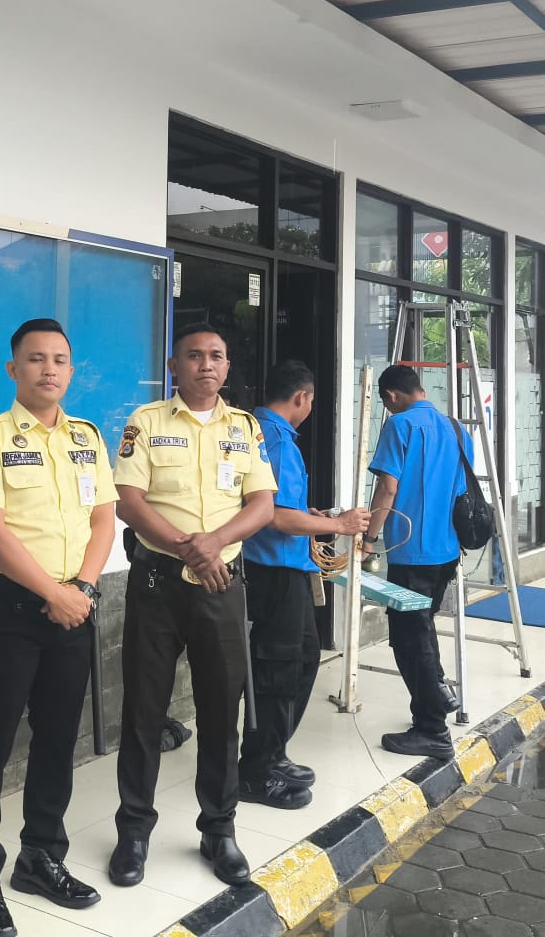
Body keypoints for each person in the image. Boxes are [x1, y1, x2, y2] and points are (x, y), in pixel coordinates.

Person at [0, 319, 116, 937]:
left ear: (71, 370)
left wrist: (83, 591)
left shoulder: (87, 437)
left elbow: (104, 519)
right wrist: (55, 594)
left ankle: (40, 858)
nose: (49, 369)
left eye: (59, 360)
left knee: (57, 739)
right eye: (36, 359)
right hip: (10, 614)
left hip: (74, 607)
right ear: (13, 369)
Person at [108, 322, 277, 890]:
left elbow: (262, 504)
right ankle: (134, 831)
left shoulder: (244, 427)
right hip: (158, 582)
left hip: (221, 584)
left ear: (227, 367)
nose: (207, 365)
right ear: (174, 366)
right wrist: (190, 548)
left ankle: (219, 830)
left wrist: (215, 544)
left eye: (217, 356)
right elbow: (128, 502)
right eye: (195, 356)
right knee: (144, 711)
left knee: (220, 712)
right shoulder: (147, 422)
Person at [239, 361, 369, 809]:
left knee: (304, 657)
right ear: (302, 398)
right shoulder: (274, 440)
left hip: (285, 567)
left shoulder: (261, 431)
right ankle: (257, 771)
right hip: (274, 570)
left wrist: (316, 518)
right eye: (311, 400)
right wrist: (342, 524)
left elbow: (285, 509)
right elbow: (276, 516)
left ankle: (273, 752)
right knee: (278, 670)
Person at [366, 363, 471, 760]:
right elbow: (460, 489)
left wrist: (369, 539)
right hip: (446, 550)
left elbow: (387, 489)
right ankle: (435, 696)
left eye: (386, 402)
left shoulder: (400, 425)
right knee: (422, 628)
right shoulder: (456, 428)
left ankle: (432, 729)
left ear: (391, 396)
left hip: (411, 552)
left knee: (410, 637)